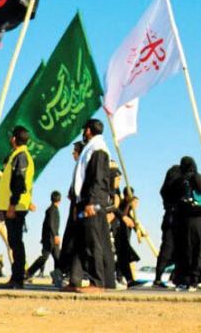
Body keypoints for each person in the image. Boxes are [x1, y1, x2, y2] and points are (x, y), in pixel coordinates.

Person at [68, 119, 114, 292]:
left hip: (93, 204)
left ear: (88, 130)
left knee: (92, 242)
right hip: (83, 202)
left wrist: (92, 202)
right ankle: (75, 280)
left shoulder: (98, 149)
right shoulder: (90, 148)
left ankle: (98, 282)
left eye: (84, 130)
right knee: (79, 242)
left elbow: (98, 178)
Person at [0, 127, 36, 290]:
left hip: (16, 206)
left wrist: (12, 205)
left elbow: (19, 182)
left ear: (14, 139)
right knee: (14, 243)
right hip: (15, 205)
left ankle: (18, 279)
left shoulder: (21, 156)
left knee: (16, 243)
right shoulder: (19, 155)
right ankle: (16, 277)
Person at [171, 156, 201, 291]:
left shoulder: (178, 181)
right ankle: (199, 279)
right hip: (198, 218)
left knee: (186, 249)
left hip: (183, 221)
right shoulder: (197, 177)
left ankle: (184, 280)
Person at [56, 142, 84, 285]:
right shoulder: (78, 167)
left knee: (74, 242)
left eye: (75, 151)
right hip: (74, 209)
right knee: (70, 241)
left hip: (78, 210)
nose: (73, 154)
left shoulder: (83, 167)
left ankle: (69, 273)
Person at [153, 163, 183, 289]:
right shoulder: (176, 187)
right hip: (174, 219)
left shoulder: (166, 189)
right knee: (169, 249)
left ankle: (163, 277)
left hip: (170, 218)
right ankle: (160, 278)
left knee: (170, 249)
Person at [25, 191, 62, 281]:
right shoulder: (53, 210)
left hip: (49, 237)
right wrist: (56, 235)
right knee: (46, 257)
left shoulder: (50, 209)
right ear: (59, 200)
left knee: (57, 258)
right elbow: (51, 224)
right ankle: (29, 272)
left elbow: (46, 225)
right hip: (51, 238)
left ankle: (56, 277)